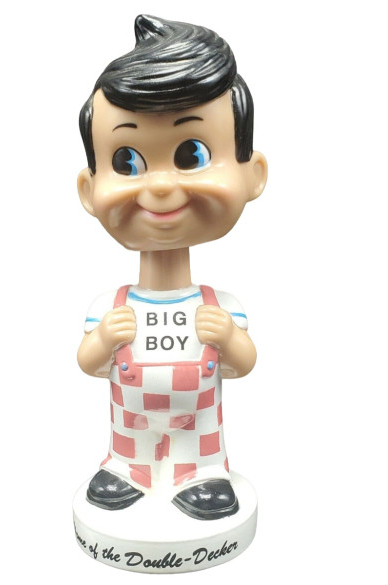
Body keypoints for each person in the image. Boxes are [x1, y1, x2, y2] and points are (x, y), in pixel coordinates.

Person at [76, 14, 267, 521]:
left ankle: (201, 474)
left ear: (253, 174)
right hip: (131, 426)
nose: (160, 186)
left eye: (191, 154)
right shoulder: (110, 306)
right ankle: (126, 470)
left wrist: (228, 337)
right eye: (127, 162)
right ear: (88, 190)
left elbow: (243, 363)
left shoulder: (220, 305)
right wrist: (103, 339)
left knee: (200, 447)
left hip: (198, 428)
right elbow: (89, 362)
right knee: (128, 447)